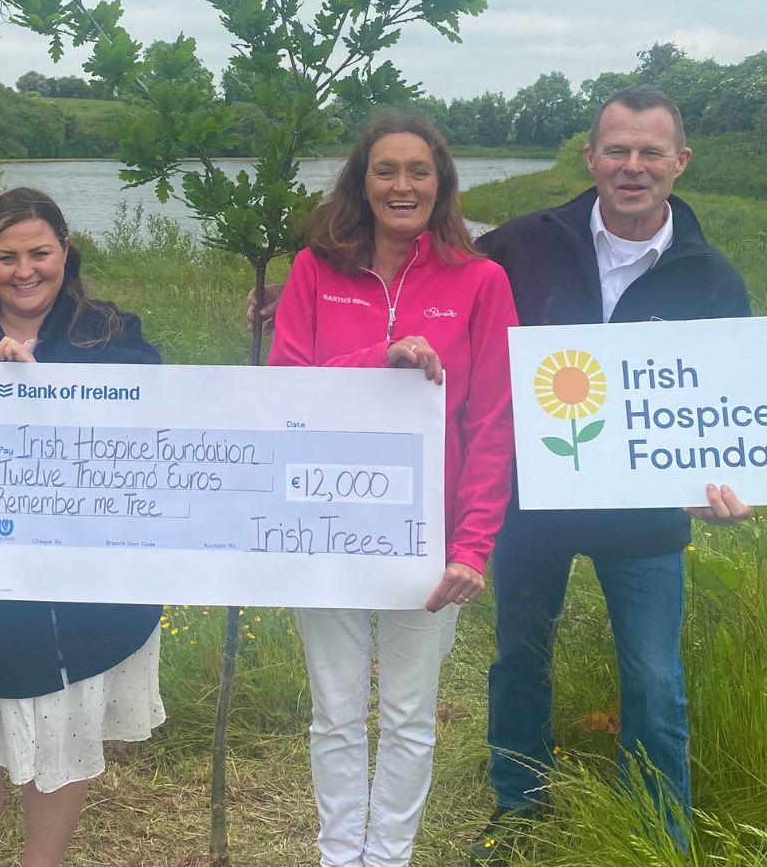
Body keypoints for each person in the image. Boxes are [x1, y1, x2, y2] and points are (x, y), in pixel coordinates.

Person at [469, 85, 755, 865]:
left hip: (646, 519)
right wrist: (300, 290)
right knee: (518, 659)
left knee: (654, 681)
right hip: (534, 501)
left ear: (680, 162)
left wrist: (727, 485)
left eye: (651, 152)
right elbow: (435, 284)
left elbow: (724, 403)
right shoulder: (520, 244)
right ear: (591, 157)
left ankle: (657, 832)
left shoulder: (713, 278)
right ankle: (518, 809)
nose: (634, 166)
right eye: (618, 150)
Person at [267, 112, 518, 867]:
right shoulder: (315, 270)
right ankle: (339, 856)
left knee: (410, 716)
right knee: (334, 712)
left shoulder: (481, 280)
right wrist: (380, 361)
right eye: (385, 170)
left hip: (426, 538)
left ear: (441, 184)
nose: (401, 185)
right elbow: (283, 391)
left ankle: (389, 857)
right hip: (323, 527)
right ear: (362, 181)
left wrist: (472, 546)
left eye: (418, 171)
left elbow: (495, 422)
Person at [0, 187, 164, 867]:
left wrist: (41, 388)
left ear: (65, 251)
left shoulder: (114, 336)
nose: (24, 271)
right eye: (5, 257)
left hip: (86, 592)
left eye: (39, 253)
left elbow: (147, 439)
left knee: (63, 756)